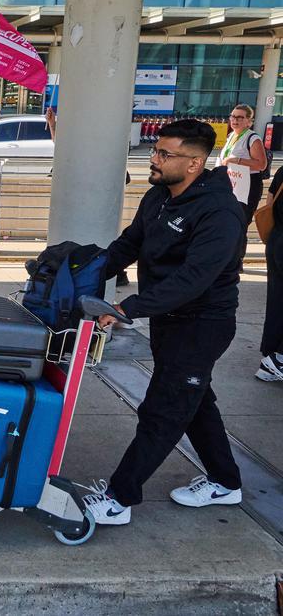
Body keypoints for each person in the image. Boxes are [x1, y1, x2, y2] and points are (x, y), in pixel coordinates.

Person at [83, 119, 245, 526]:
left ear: (194, 163)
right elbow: (130, 244)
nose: (153, 160)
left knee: (164, 408)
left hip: (202, 324)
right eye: (155, 151)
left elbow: (193, 279)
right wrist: (80, 273)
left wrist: (128, 308)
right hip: (169, 322)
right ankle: (226, 481)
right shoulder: (159, 197)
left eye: (163, 154)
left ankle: (119, 499)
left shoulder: (220, 212)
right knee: (194, 401)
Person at [46, 107, 132, 287]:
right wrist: (52, 126)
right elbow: (63, 146)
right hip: (89, 206)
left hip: (96, 208)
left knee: (97, 243)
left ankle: (104, 273)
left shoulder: (103, 151)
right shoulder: (89, 149)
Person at [215, 104, 268, 224]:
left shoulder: (253, 138)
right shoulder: (231, 135)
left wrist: (236, 160)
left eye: (239, 117)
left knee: (240, 222)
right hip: (232, 183)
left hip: (247, 185)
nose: (235, 120)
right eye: (233, 116)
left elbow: (261, 165)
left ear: (249, 121)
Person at [256, 163, 283, 382]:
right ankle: (279, 359)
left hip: (277, 240)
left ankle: (271, 352)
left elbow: (270, 201)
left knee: (277, 299)